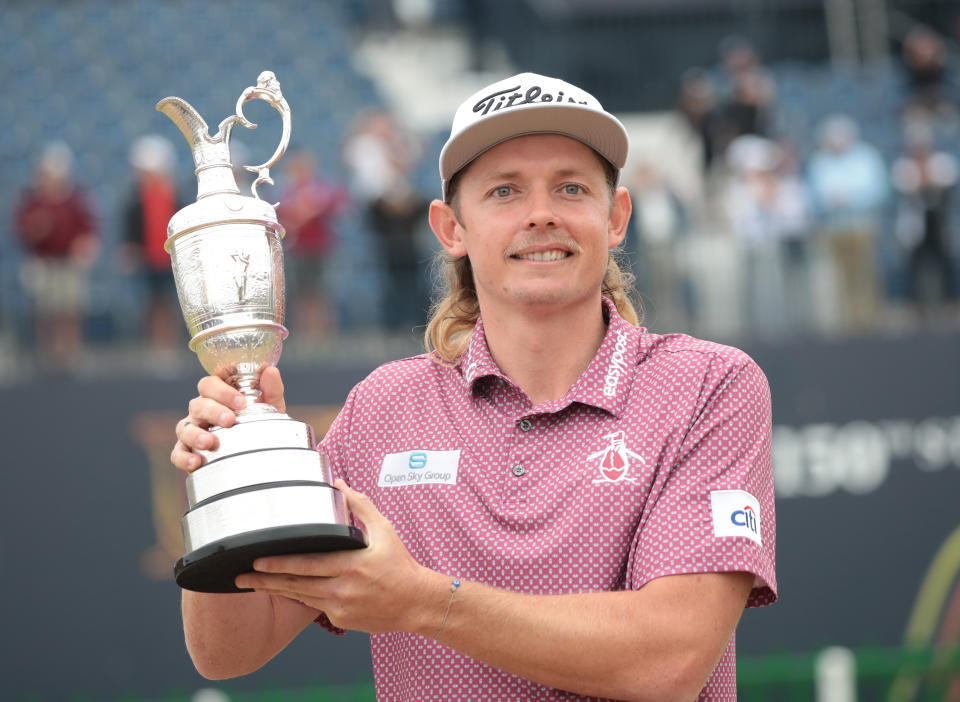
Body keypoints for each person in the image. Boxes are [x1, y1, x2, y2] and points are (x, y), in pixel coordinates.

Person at [171, 72, 777, 701]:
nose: (541, 214)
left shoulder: (708, 385)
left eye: (570, 187)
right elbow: (228, 650)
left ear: (616, 215)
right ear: (450, 228)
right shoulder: (383, 408)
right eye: (504, 191)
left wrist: (425, 603)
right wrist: (236, 472)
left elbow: (670, 660)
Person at [14, 141, 99, 369]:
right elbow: (22, 230)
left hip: (68, 263)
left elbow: (87, 227)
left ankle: (70, 353)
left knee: (70, 310)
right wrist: (35, 230)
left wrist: (84, 244)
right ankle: (50, 355)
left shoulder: (73, 201)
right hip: (44, 262)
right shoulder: (33, 201)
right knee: (47, 311)